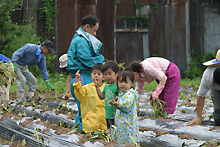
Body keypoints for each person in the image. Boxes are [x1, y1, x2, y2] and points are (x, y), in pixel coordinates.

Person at [67, 15, 104, 130]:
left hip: (83, 75)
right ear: (87, 27)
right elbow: (87, 60)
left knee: (85, 106)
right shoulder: (80, 40)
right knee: (86, 106)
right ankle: (83, 132)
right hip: (82, 76)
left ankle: (80, 131)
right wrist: (101, 59)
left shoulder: (81, 38)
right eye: (94, 31)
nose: (95, 34)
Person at [187, 49, 220, 126]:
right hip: (215, 89)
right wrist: (198, 117)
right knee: (218, 109)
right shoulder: (208, 75)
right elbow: (201, 95)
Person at [73, 63, 107, 133]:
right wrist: (77, 81)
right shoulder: (87, 88)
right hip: (90, 124)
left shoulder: (106, 88)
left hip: (104, 123)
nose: (96, 76)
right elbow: (79, 93)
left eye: (99, 74)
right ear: (91, 75)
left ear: (104, 77)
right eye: (94, 73)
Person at [109, 71, 139, 145]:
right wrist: (117, 99)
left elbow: (126, 106)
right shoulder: (123, 93)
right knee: (122, 140)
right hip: (122, 123)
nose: (122, 84)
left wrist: (116, 103)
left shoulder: (130, 94)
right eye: (120, 82)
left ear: (131, 83)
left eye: (125, 82)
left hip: (127, 124)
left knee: (128, 141)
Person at [95, 60, 120, 134]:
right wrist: (97, 87)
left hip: (115, 114)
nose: (107, 76)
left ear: (117, 73)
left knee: (115, 131)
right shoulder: (106, 87)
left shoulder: (118, 86)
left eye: (110, 74)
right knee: (109, 131)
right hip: (108, 114)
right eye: (105, 74)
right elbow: (101, 97)